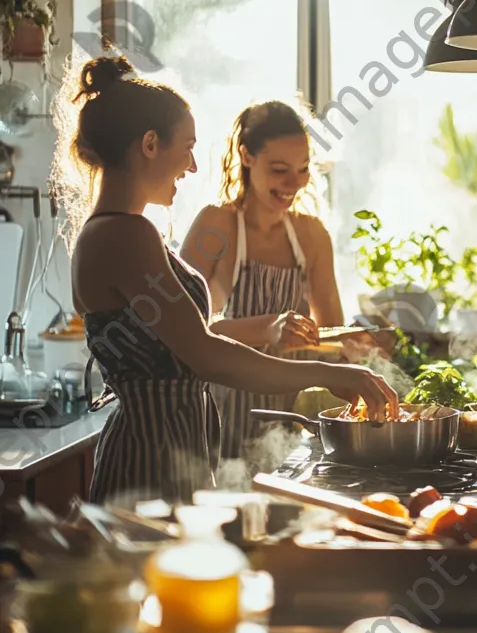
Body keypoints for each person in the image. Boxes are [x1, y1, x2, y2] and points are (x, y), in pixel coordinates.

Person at [50, 56, 397, 509]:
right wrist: (330, 371)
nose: (193, 166)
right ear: (150, 144)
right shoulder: (124, 234)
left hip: (173, 455)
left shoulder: (124, 230)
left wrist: (346, 355)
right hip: (149, 466)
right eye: (188, 146)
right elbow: (208, 354)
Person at [181, 101, 358, 467]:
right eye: (279, 170)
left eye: (303, 170)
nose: (294, 184)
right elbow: (182, 333)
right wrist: (267, 328)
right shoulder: (217, 226)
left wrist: (358, 344)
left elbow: (329, 334)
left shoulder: (311, 235)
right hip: (219, 418)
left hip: (291, 419)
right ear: (246, 157)